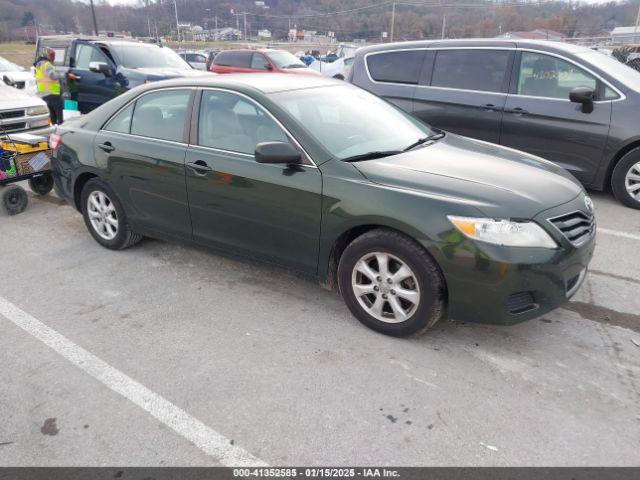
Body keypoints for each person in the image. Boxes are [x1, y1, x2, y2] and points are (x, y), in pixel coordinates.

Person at [34, 48, 64, 125]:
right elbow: (53, 76)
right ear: (47, 55)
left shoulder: (39, 65)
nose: (53, 57)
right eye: (52, 55)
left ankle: (54, 129)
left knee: (52, 115)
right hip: (53, 93)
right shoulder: (47, 64)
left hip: (44, 94)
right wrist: (61, 75)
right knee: (59, 116)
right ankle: (61, 130)